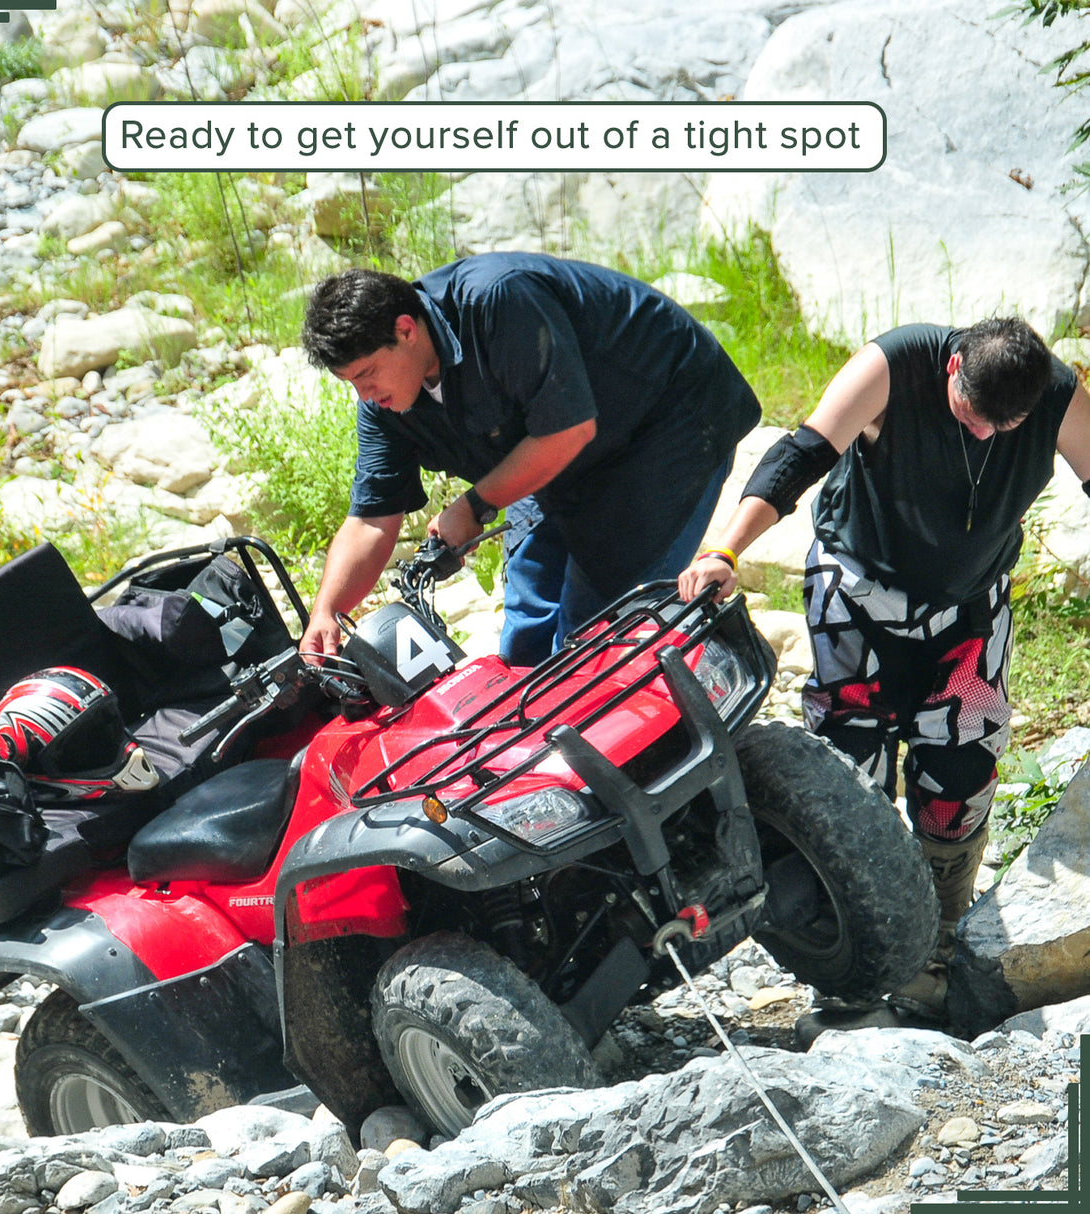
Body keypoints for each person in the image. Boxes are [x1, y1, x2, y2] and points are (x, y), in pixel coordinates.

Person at [678, 317, 1090, 1017]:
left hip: (969, 611)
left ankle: (936, 942)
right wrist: (725, 550)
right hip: (860, 595)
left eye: (1007, 424)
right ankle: (849, 957)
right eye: (974, 414)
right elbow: (802, 452)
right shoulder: (896, 364)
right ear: (954, 366)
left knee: (961, 769)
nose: (987, 435)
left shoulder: (1056, 393)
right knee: (848, 771)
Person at [298, 252, 761, 666]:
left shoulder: (497, 302)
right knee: (527, 632)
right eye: (351, 383)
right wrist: (326, 612)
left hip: (665, 423)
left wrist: (474, 505)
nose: (365, 395)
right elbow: (370, 520)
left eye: (368, 374)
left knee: (592, 641)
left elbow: (568, 430)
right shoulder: (385, 402)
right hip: (553, 451)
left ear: (406, 329)